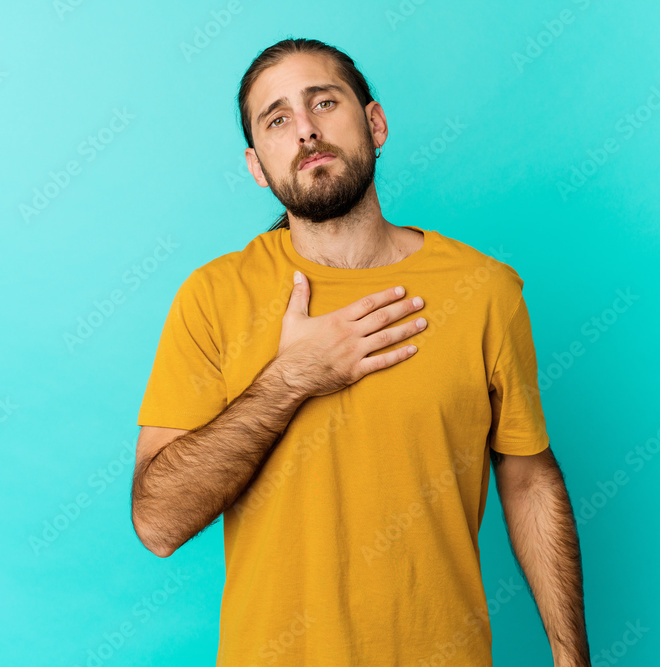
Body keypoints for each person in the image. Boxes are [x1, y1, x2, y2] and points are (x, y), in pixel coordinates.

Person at [131, 37, 590, 667]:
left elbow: (529, 477)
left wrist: (572, 658)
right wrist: (291, 379)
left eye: (324, 102)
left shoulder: (484, 292)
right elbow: (158, 523)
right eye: (278, 119)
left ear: (374, 124)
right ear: (257, 166)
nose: (306, 131)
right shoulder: (213, 298)